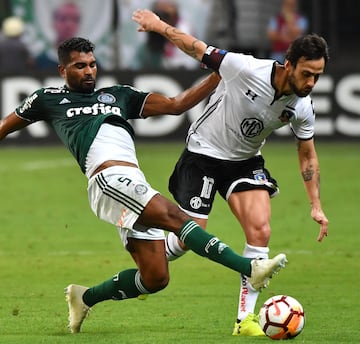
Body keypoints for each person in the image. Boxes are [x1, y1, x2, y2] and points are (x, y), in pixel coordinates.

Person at [0, 37, 287, 334]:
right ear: (63, 69)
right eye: (79, 66)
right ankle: (249, 268)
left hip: (132, 183)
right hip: (107, 180)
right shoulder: (47, 98)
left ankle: (85, 297)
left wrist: (219, 74)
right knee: (177, 218)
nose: (88, 71)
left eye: (92, 65)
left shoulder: (119, 95)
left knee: (155, 278)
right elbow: (4, 127)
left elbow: (177, 105)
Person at [132, 9, 329, 337]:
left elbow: (307, 154)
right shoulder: (245, 67)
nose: (311, 83)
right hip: (203, 154)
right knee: (189, 239)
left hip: (245, 162)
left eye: (318, 76)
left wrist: (316, 204)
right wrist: (158, 25)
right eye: (307, 74)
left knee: (261, 231)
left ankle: (245, 320)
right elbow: (196, 47)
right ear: (289, 64)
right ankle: (148, 247)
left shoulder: (302, 107)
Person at [35, 2, 81, 70]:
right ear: (53, 23)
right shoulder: (40, 62)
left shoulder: (89, 63)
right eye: (63, 19)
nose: (69, 25)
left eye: (74, 19)